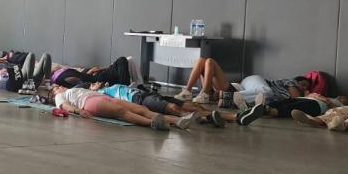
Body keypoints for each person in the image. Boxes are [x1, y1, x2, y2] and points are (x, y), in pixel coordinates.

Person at [175, 57, 310, 108]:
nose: (304, 88)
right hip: (245, 86)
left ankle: (194, 92)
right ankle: (196, 92)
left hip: (234, 90)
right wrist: (305, 92)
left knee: (206, 61)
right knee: (265, 91)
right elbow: (294, 97)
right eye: (303, 85)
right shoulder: (290, 82)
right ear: (297, 82)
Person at [52, 84, 195, 131]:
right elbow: (65, 106)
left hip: (103, 97)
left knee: (141, 109)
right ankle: (154, 123)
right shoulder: (59, 97)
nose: (60, 87)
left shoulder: (75, 88)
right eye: (57, 87)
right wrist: (78, 110)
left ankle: (177, 121)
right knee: (122, 112)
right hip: (88, 102)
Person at [95, 83, 233, 128]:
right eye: (94, 84)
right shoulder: (100, 94)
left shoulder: (113, 85)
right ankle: (197, 119)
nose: (98, 83)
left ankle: (235, 117)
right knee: (174, 108)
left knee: (195, 106)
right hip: (140, 100)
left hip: (148, 93)